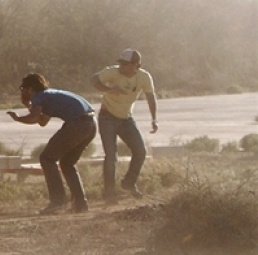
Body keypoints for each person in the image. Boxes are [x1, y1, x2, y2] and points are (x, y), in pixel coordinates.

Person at [8, 73, 96, 214]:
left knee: (47, 158)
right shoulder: (50, 96)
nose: (23, 92)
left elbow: (34, 118)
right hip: (90, 124)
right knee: (67, 163)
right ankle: (80, 203)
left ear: (30, 89)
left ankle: (58, 201)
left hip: (77, 124)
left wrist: (18, 118)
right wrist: (27, 105)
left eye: (23, 89)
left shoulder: (39, 97)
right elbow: (42, 121)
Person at [91, 48, 158, 202]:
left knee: (140, 151)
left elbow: (150, 96)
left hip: (126, 119)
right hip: (107, 117)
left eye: (125, 64)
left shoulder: (144, 77)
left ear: (135, 65)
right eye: (120, 63)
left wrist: (154, 119)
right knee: (111, 156)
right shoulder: (113, 72)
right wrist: (108, 89)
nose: (121, 67)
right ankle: (109, 193)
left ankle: (129, 183)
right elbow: (93, 80)